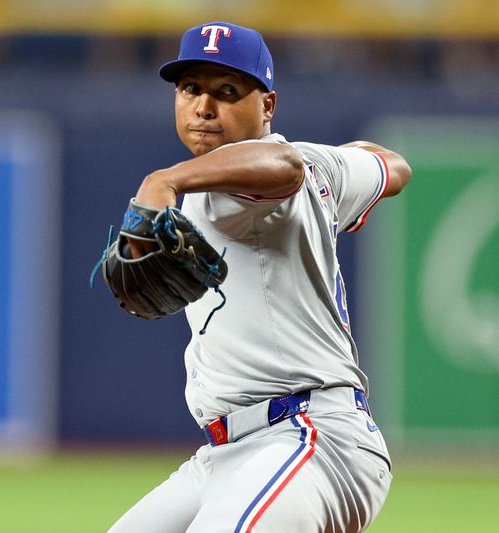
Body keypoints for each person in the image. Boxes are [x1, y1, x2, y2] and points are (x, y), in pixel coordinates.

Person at [108, 21, 412, 533]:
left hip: (311, 438)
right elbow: (394, 166)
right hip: (229, 455)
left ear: (267, 106)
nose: (204, 107)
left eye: (228, 91)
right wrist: (344, 160)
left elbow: (281, 167)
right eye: (190, 89)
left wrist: (165, 179)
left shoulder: (266, 171)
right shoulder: (319, 165)